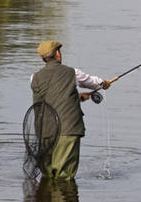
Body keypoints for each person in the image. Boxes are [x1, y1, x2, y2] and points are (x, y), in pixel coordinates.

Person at [30, 40, 111, 179]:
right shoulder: (73, 73)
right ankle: (64, 200)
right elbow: (94, 83)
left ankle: (46, 199)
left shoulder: (34, 78)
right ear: (57, 54)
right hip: (67, 130)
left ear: (43, 58)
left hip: (44, 131)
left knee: (48, 176)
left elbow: (51, 97)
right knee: (63, 177)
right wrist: (105, 83)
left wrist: (77, 97)